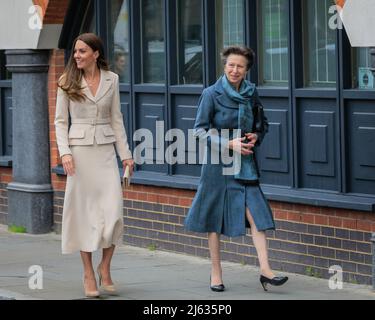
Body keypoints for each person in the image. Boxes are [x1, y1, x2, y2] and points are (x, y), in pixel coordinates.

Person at [184, 46, 288, 292]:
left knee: (257, 215)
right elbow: (199, 130)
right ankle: (216, 272)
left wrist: (255, 136)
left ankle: (265, 270)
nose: (234, 70)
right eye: (231, 65)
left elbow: (263, 124)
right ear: (224, 66)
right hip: (217, 167)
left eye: (240, 66)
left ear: (246, 70)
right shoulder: (211, 93)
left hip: (245, 164)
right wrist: (226, 143)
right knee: (214, 220)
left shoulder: (252, 93)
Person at [55, 33, 134, 298]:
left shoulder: (112, 79)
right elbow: (60, 122)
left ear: (96, 54)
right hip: (78, 155)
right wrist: (64, 153)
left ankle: (105, 266)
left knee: (114, 213)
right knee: (84, 216)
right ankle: (88, 273)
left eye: (82, 51)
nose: (76, 55)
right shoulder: (67, 81)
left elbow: (116, 119)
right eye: (75, 51)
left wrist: (126, 154)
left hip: (105, 153)